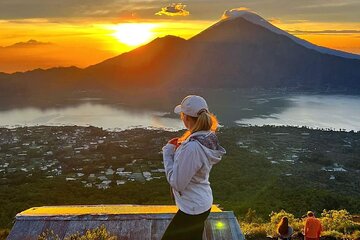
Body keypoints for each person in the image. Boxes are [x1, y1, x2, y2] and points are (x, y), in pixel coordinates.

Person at [161, 95, 226, 240]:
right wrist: (180, 150)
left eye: (182, 115)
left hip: (192, 208)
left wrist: (168, 153)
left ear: (186, 118)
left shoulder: (192, 147)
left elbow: (177, 183)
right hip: (203, 202)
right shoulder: (207, 136)